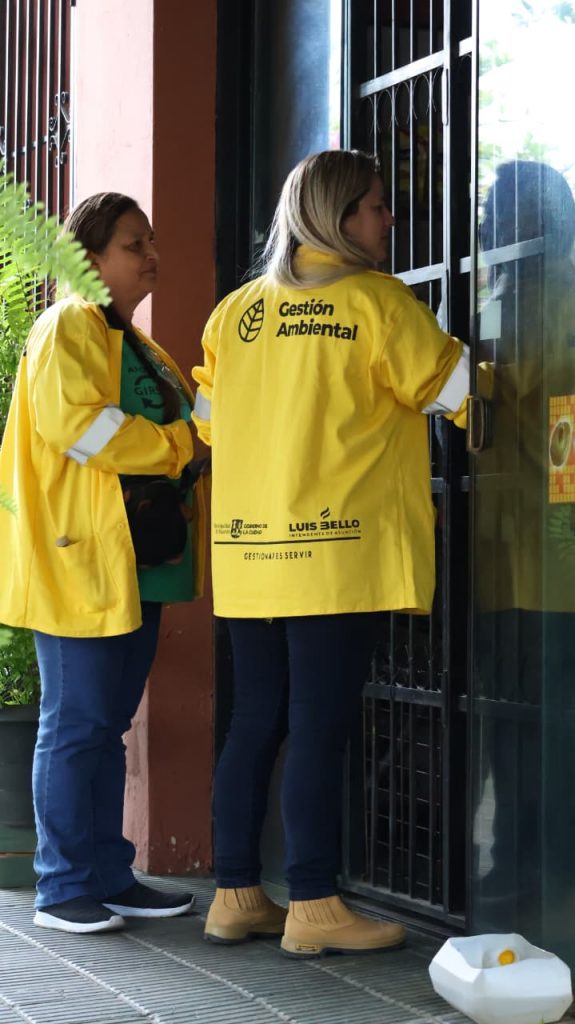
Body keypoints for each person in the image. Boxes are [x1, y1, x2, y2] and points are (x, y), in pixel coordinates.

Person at [192, 149, 469, 958]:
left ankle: (234, 895)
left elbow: (206, 422)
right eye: (377, 205)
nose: (389, 219)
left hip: (250, 554)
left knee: (255, 722)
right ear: (340, 217)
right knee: (320, 725)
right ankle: (313, 902)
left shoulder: (234, 314)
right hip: (336, 552)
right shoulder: (378, 303)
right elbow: (457, 395)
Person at [0, 192, 206, 934]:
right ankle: (61, 888)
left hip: (134, 562)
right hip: (79, 558)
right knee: (76, 724)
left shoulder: (136, 344)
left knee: (105, 724)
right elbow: (81, 429)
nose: (151, 254)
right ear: (87, 258)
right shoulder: (68, 325)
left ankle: (110, 876)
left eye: (151, 240)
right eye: (132, 243)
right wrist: (178, 447)